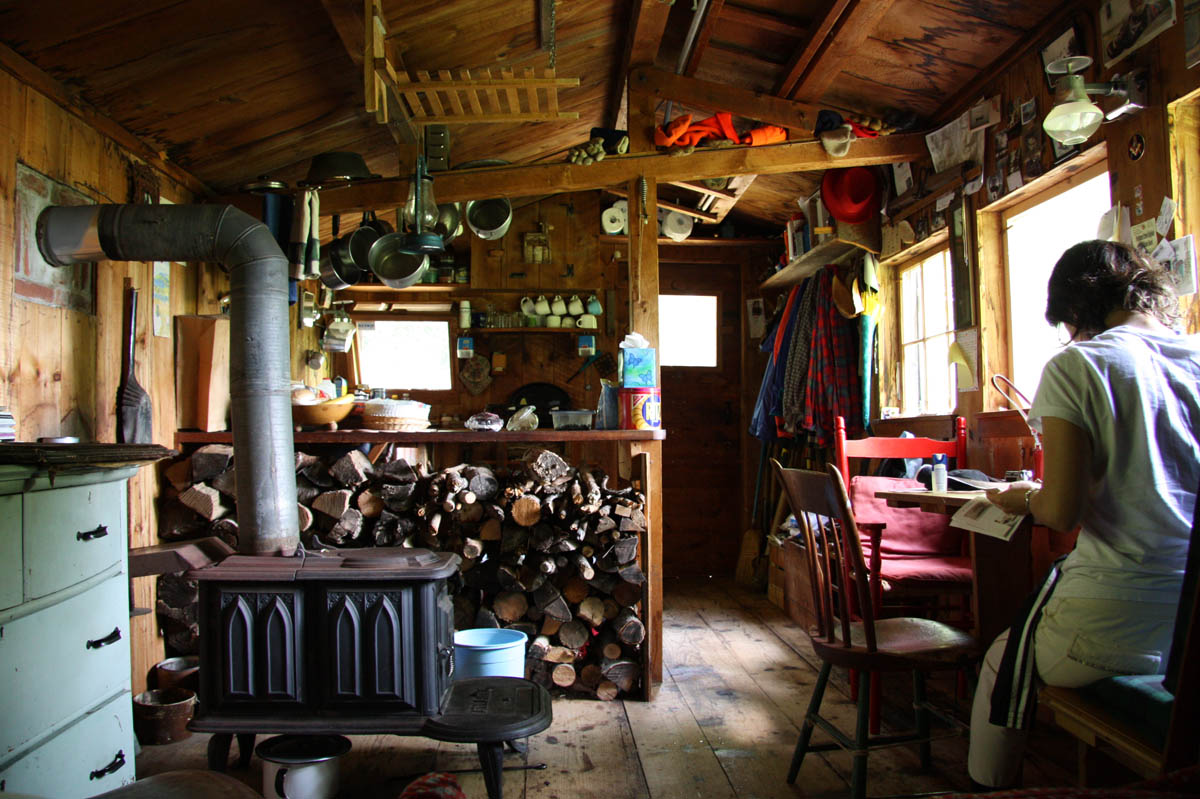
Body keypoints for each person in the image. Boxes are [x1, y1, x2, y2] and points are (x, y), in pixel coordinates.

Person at [967, 240, 1200, 788]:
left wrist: (1023, 498)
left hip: (1112, 623)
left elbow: (1062, 510)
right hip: (1190, 633)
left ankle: (983, 786)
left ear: (1076, 310)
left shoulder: (1079, 364)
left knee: (1004, 659)